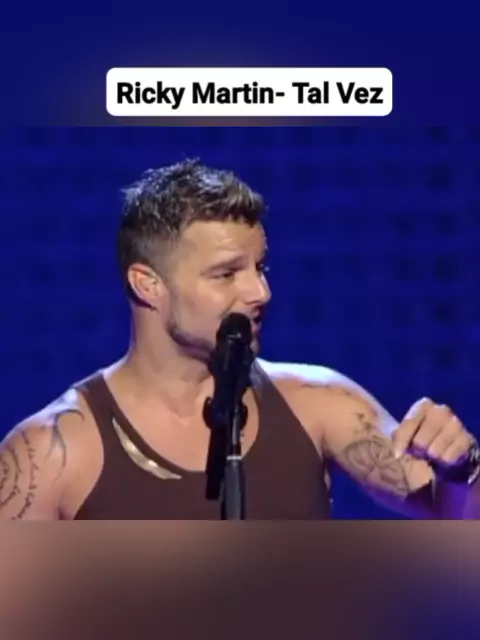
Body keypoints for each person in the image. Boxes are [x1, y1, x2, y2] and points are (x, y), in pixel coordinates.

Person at [1, 158, 479, 520]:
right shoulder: (52, 452)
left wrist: (463, 468)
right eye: (226, 274)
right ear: (148, 285)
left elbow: (450, 516)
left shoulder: (318, 403)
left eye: (260, 268)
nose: (260, 292)